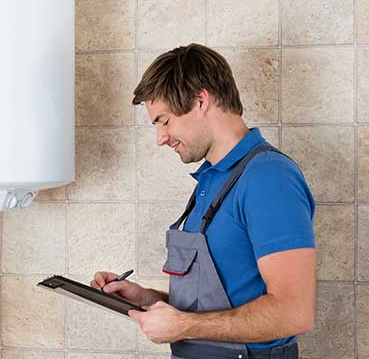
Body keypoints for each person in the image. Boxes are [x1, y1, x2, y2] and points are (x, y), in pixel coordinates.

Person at [91, 43, 316, 359]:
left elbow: (294, 312)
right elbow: (222, 301)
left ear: (201, 100)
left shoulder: (268, 178)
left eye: (164, 120)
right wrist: (147, 299)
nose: (161, 138)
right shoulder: (213, 179)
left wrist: (183, 326)